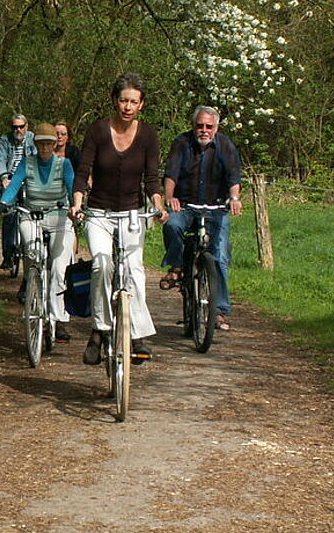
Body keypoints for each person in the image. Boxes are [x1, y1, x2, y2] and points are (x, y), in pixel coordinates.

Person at [68, 73, 168, 365]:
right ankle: (99, 330)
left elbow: (152, 179)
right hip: (99, 213)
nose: (128, 107)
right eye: (123, 100)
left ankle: (136, 335)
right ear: (115, 100)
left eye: (134, 102)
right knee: (102, 263)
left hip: (132, 213)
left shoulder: (148, 135)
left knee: (134, 270)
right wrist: (77, 203)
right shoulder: (98, 130)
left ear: (141, 104)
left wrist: (158, 206)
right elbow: (83, 172)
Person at [159, 105, 242, 331]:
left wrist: (234, 198)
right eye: (200, 126)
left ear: (216, 128)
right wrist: (170, 197)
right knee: (172, 224)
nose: (204, 130)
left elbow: (234, 177)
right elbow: (171, 174)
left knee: (220, 256)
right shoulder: (181, 143)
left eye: (209, 126)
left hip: (216, 207)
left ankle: (218, 310)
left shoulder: (225, 145)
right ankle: (177, 267)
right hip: (186, 205)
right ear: (193, 126)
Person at [0, 123, 76, 343]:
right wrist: (4, 201)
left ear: (54, 144)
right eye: (40, 144)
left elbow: (72, 188)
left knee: (59, 268)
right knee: (33, 255)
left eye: (49, 143)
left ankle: (58, 319)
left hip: (59, 218)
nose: (45, 148)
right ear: (35, 144)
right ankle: (33, 292)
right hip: (31, 215)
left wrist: (76, 207)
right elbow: (14, 185)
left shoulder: (64, 164)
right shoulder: (27, 163)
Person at [0, 114, 36, 271]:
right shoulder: (5, 140)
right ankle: (7, 255)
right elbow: (0, 159)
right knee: (8, 213)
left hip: (28, 178)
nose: (18, 130)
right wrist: (4, 177)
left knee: (32, 213)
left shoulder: (32, 138)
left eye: (21, 126)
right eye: (15, 127)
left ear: (26, 126)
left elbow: (37, 158)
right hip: (10, 179)